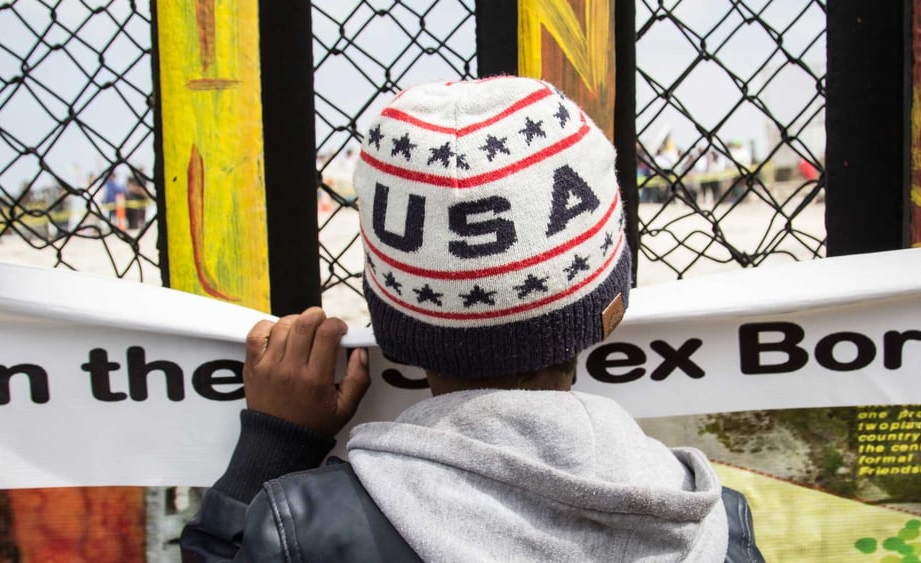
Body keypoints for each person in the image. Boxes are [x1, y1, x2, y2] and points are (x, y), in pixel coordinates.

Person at [180, 76, 762, 562]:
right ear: (608, 304)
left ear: (394, 322)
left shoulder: (304, 530)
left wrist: (272, 451)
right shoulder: (720, 527)